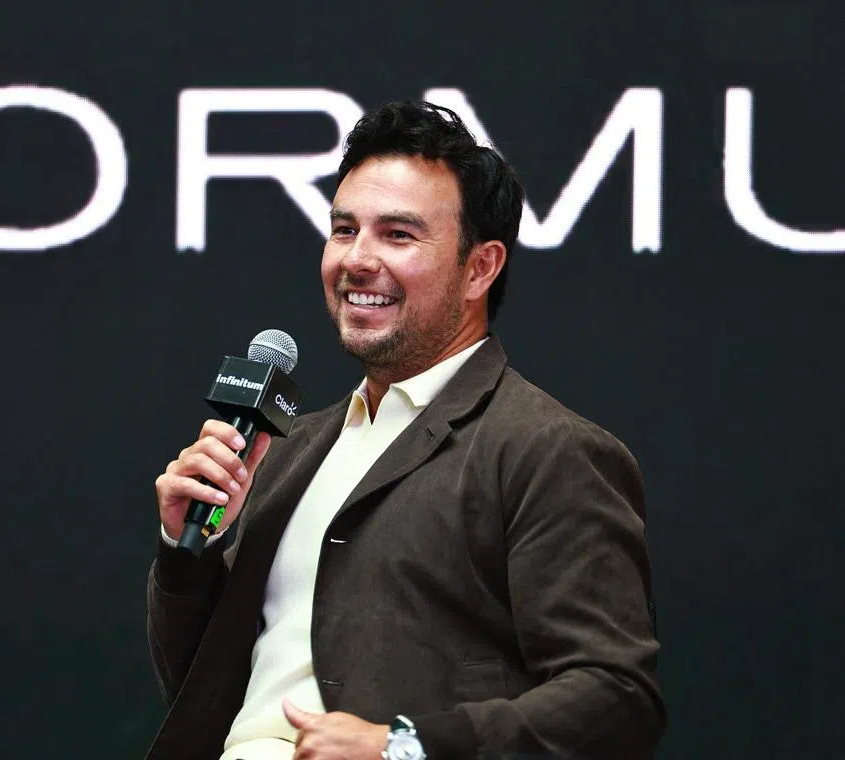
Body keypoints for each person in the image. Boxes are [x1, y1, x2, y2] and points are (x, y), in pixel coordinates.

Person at [146, 100, 665, 760]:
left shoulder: (546, 448)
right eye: (343, 230)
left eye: (397, 235)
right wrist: (183, 544)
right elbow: (199, 693)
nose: (357, 259)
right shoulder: (290, 449)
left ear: (480, 267)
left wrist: (404, 748)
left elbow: (616, 699)